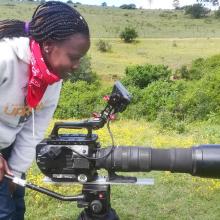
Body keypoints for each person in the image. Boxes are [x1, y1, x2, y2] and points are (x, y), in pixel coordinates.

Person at [0, 1, 90, 219]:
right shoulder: (4, 58)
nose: (76, 65)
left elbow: (33, 130)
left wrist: (16, 173)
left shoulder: (52, 79)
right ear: (49, 45)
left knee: (16, 209)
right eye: (74, 57)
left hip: (9, 150)